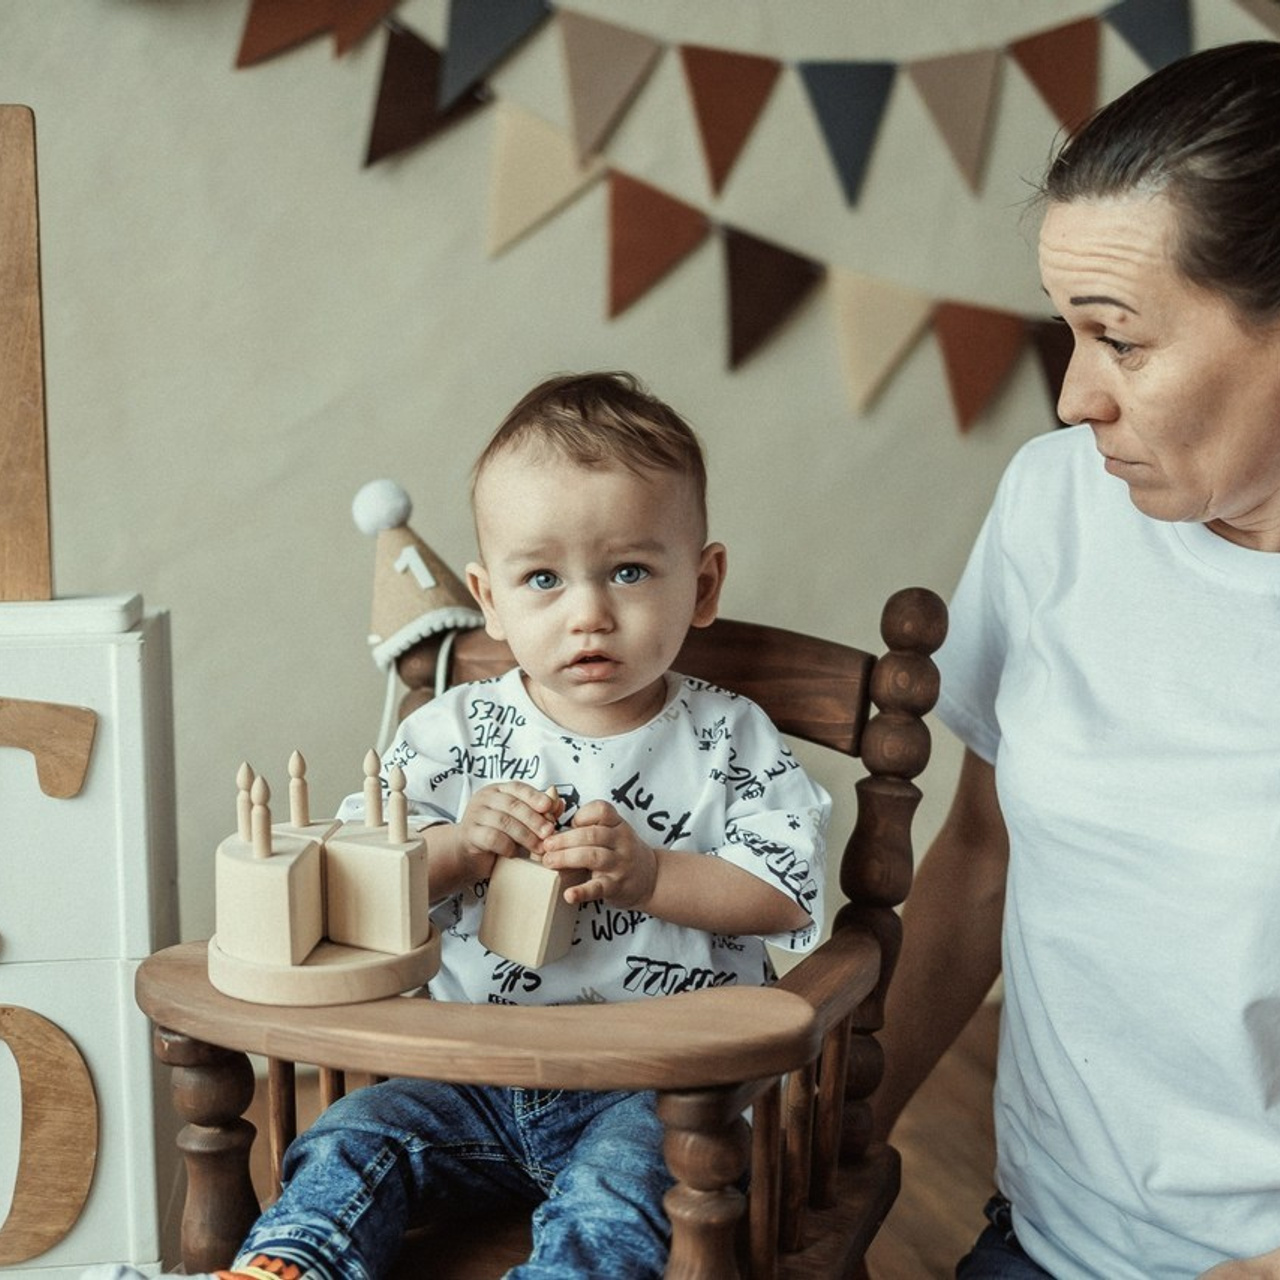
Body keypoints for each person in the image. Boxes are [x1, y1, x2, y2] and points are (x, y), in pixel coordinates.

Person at [88, 371, 829, 1280]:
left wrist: (653, 876)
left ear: (703, 582)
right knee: (353, 1137)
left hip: (657, 1092)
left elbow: (783, 892)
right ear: (490, 597)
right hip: (464, 1079)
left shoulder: (728, 738)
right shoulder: (451, 735)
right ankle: (286, 1266)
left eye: (629, 570)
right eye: (543, 578)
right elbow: (364, 885)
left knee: (622, 1193)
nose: (588, 611)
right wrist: (461, 847)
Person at [870, 40, 1280, 1280]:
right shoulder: (1054, 506)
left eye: (1119, 339)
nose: (1070, 398)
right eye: (1064, 331)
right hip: (1041, 1240)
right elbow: (983, 851)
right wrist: (822, 1139)